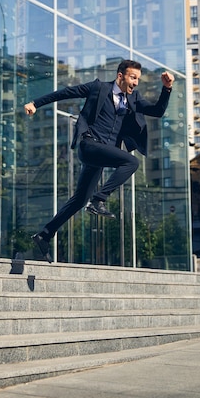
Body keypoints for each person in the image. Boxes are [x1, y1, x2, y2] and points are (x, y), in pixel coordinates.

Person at [24, 60, 175, 262]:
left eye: (138, 79)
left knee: (79, 200)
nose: (136, 83)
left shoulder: (133, 99)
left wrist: (167, 89)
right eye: (133, 77)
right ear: (120, 76)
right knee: (131, 162)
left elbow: (158, 111)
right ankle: (99, 199)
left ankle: (43, 236)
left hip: (103, 153)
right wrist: (35, 103)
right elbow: (65, 93)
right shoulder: (98, 88)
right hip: (89, 145)